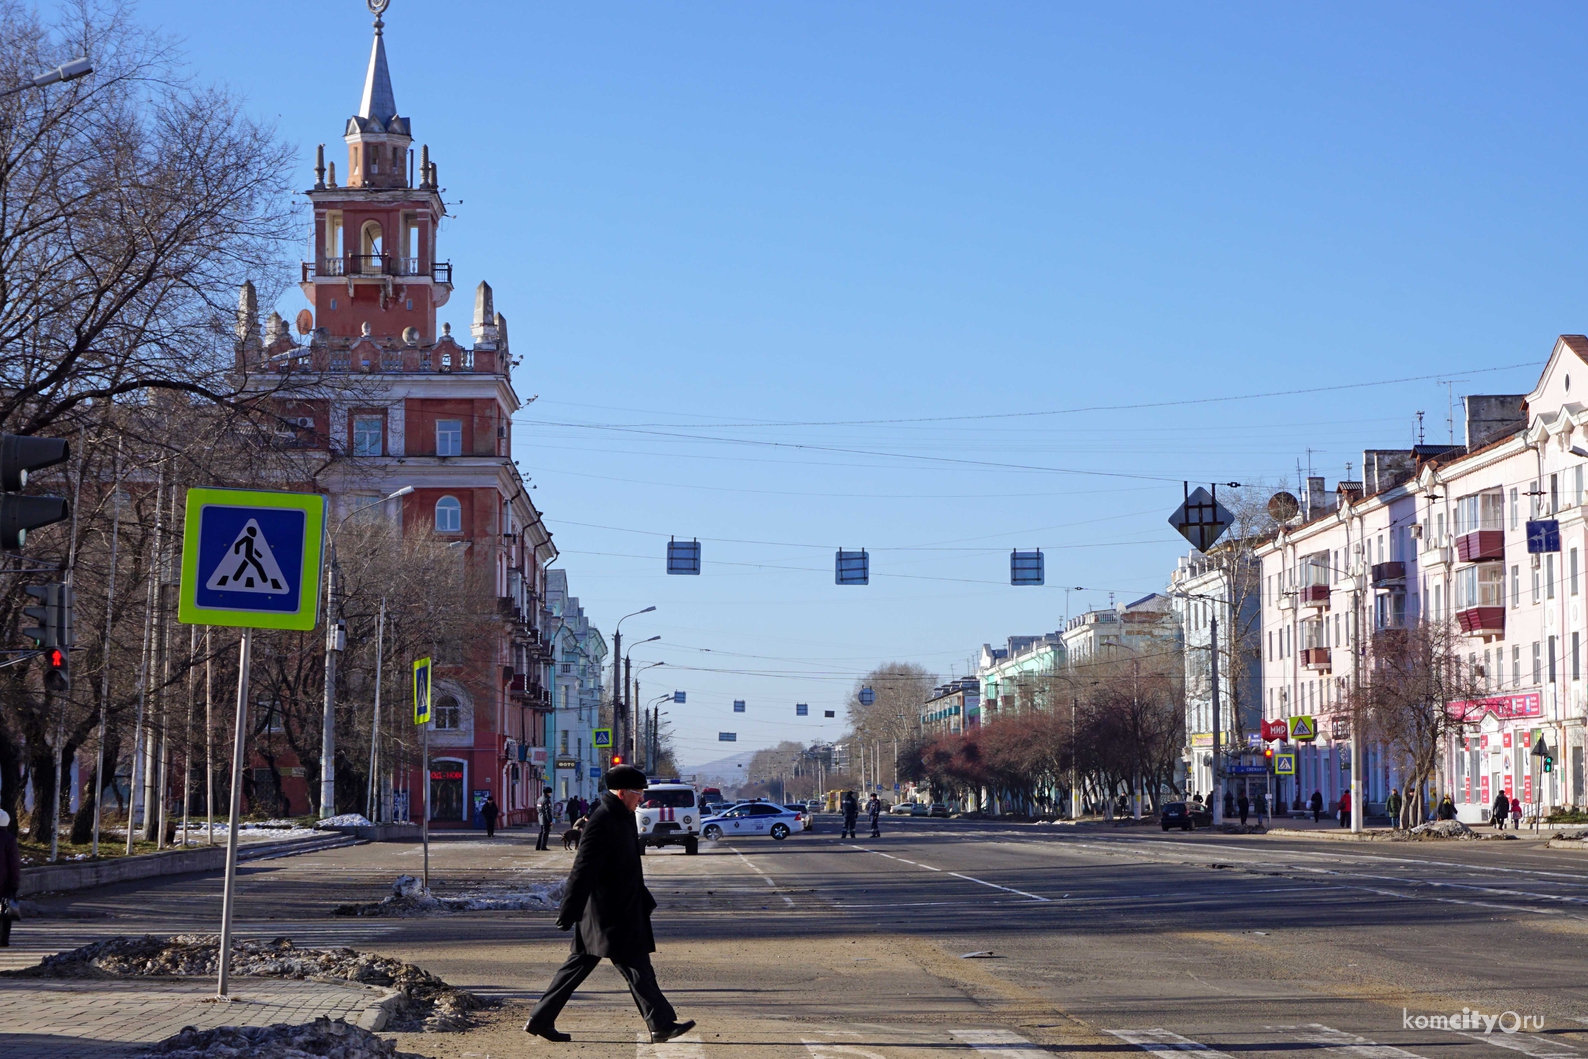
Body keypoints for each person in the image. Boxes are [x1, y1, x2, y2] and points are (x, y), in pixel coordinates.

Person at [526, 765, 694, 1045]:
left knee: (582, 966)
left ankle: (540, 1019)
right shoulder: (602, 820)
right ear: (622, 792)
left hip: (620, 908)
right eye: (638, 793)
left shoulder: (623, 816)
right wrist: (569, 910)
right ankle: (661, 1024)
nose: (642, 799)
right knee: (637, 967)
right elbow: (583, 868)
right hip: (608, 913)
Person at [0, 808, 18, 947]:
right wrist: (14, 884)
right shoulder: (10, 839)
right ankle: (4, 939)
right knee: (5, 912)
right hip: (4, 882)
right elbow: (14, 864)